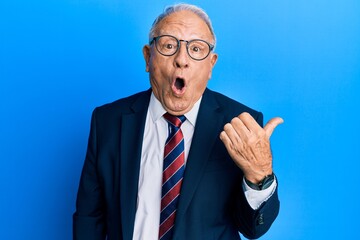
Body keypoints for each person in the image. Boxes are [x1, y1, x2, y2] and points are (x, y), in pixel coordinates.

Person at [73, 3, 283, 240]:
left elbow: (253, 228)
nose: (181, 59)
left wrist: (260, 175)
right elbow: (89, 218)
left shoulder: (241, 125)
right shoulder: (107, 122)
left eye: (196, 49)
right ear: (147, 57)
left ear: (211, 65)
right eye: (169, 46)